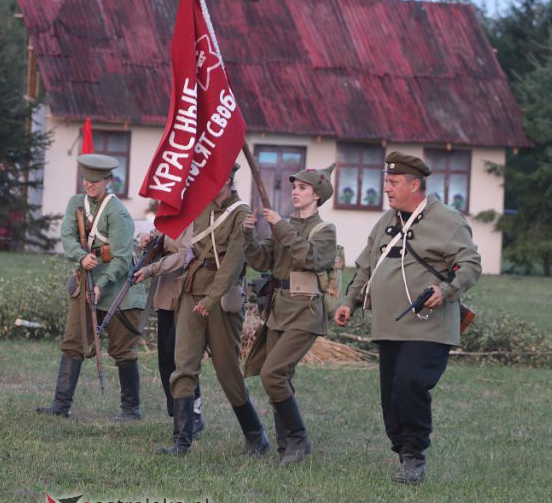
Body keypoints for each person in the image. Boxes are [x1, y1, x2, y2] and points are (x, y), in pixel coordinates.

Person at [334, 151, 481, 484]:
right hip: (389, 325)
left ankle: (414, 455)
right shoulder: (387, 220)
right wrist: (349, 301)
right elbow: (366, 266)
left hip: (429, 325)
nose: (386, 187)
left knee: (410, 383)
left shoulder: (447, 219)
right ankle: (403, 453)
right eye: (386, 181)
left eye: (393, 182)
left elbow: (470, 264)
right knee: (391, 396)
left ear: (415, 184)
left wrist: (445, 290)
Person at [160, 163, 270, 457]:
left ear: (227, 181)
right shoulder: (200, 206)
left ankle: (256, 436)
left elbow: (233, 264)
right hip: (190, 292)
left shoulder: (241, 214)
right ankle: (181, 441)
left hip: (220, 302)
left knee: (227, 371)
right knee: (183, 365)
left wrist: (209, 300)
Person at [36, 154, 147, 421]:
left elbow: (121, 259)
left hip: (118, 290)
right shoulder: (76, 203)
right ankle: (61, 405)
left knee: (122, 350)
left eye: (96, 180)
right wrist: (80, 256)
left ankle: (131, 409)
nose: (90, 184)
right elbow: (67, 235)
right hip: (84, 282)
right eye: (87, 179)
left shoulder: (118, 212)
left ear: (108, 181)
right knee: (73, 341)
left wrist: (101, 284)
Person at [242, 163, 337, 465]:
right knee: (280, 377)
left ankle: (299, 440)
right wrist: (247, 236)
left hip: (305, 312)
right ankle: (287, 447)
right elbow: (261, 260)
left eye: (303, 188)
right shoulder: (285, 225)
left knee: (273, 374)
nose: (295, 192)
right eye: (294, 187)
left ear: (318, 195)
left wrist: (280, 226)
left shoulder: (325, 231)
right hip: (279, 308)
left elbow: (308, 257)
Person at [132, 229, 206, 440]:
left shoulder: (194, 219)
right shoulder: (167, 221)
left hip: (187, 291)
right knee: (165, 359)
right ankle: (179, 410)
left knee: (181, 357)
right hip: (166, 293)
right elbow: (152, 252)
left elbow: (185, 256)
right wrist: (148, 242)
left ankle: (195, 411)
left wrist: (152, 269)